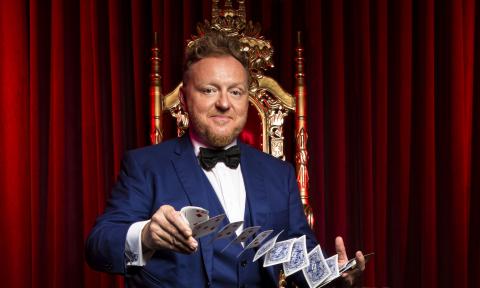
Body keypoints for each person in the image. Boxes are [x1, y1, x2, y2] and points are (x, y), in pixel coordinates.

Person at [86, 31, 365, 287]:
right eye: (209, 90)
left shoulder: (279, 173)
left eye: (235, 91)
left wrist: (333, 278)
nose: (224, 102)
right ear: (184, 98)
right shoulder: (145, 166)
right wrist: (145, 235)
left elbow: (299, 262)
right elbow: (98, 245)